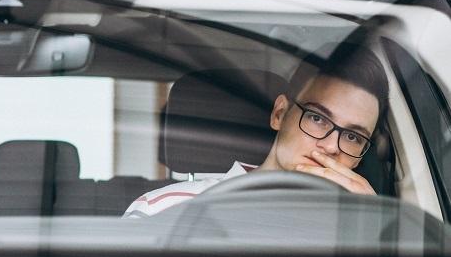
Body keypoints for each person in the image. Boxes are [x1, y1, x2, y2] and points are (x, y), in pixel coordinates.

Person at [123, 43, 389, 218]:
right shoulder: (164, 209)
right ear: (279, 114)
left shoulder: (361, 230)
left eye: (353, 137)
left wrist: (373, 226)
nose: (331, 146)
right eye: (317, 118)